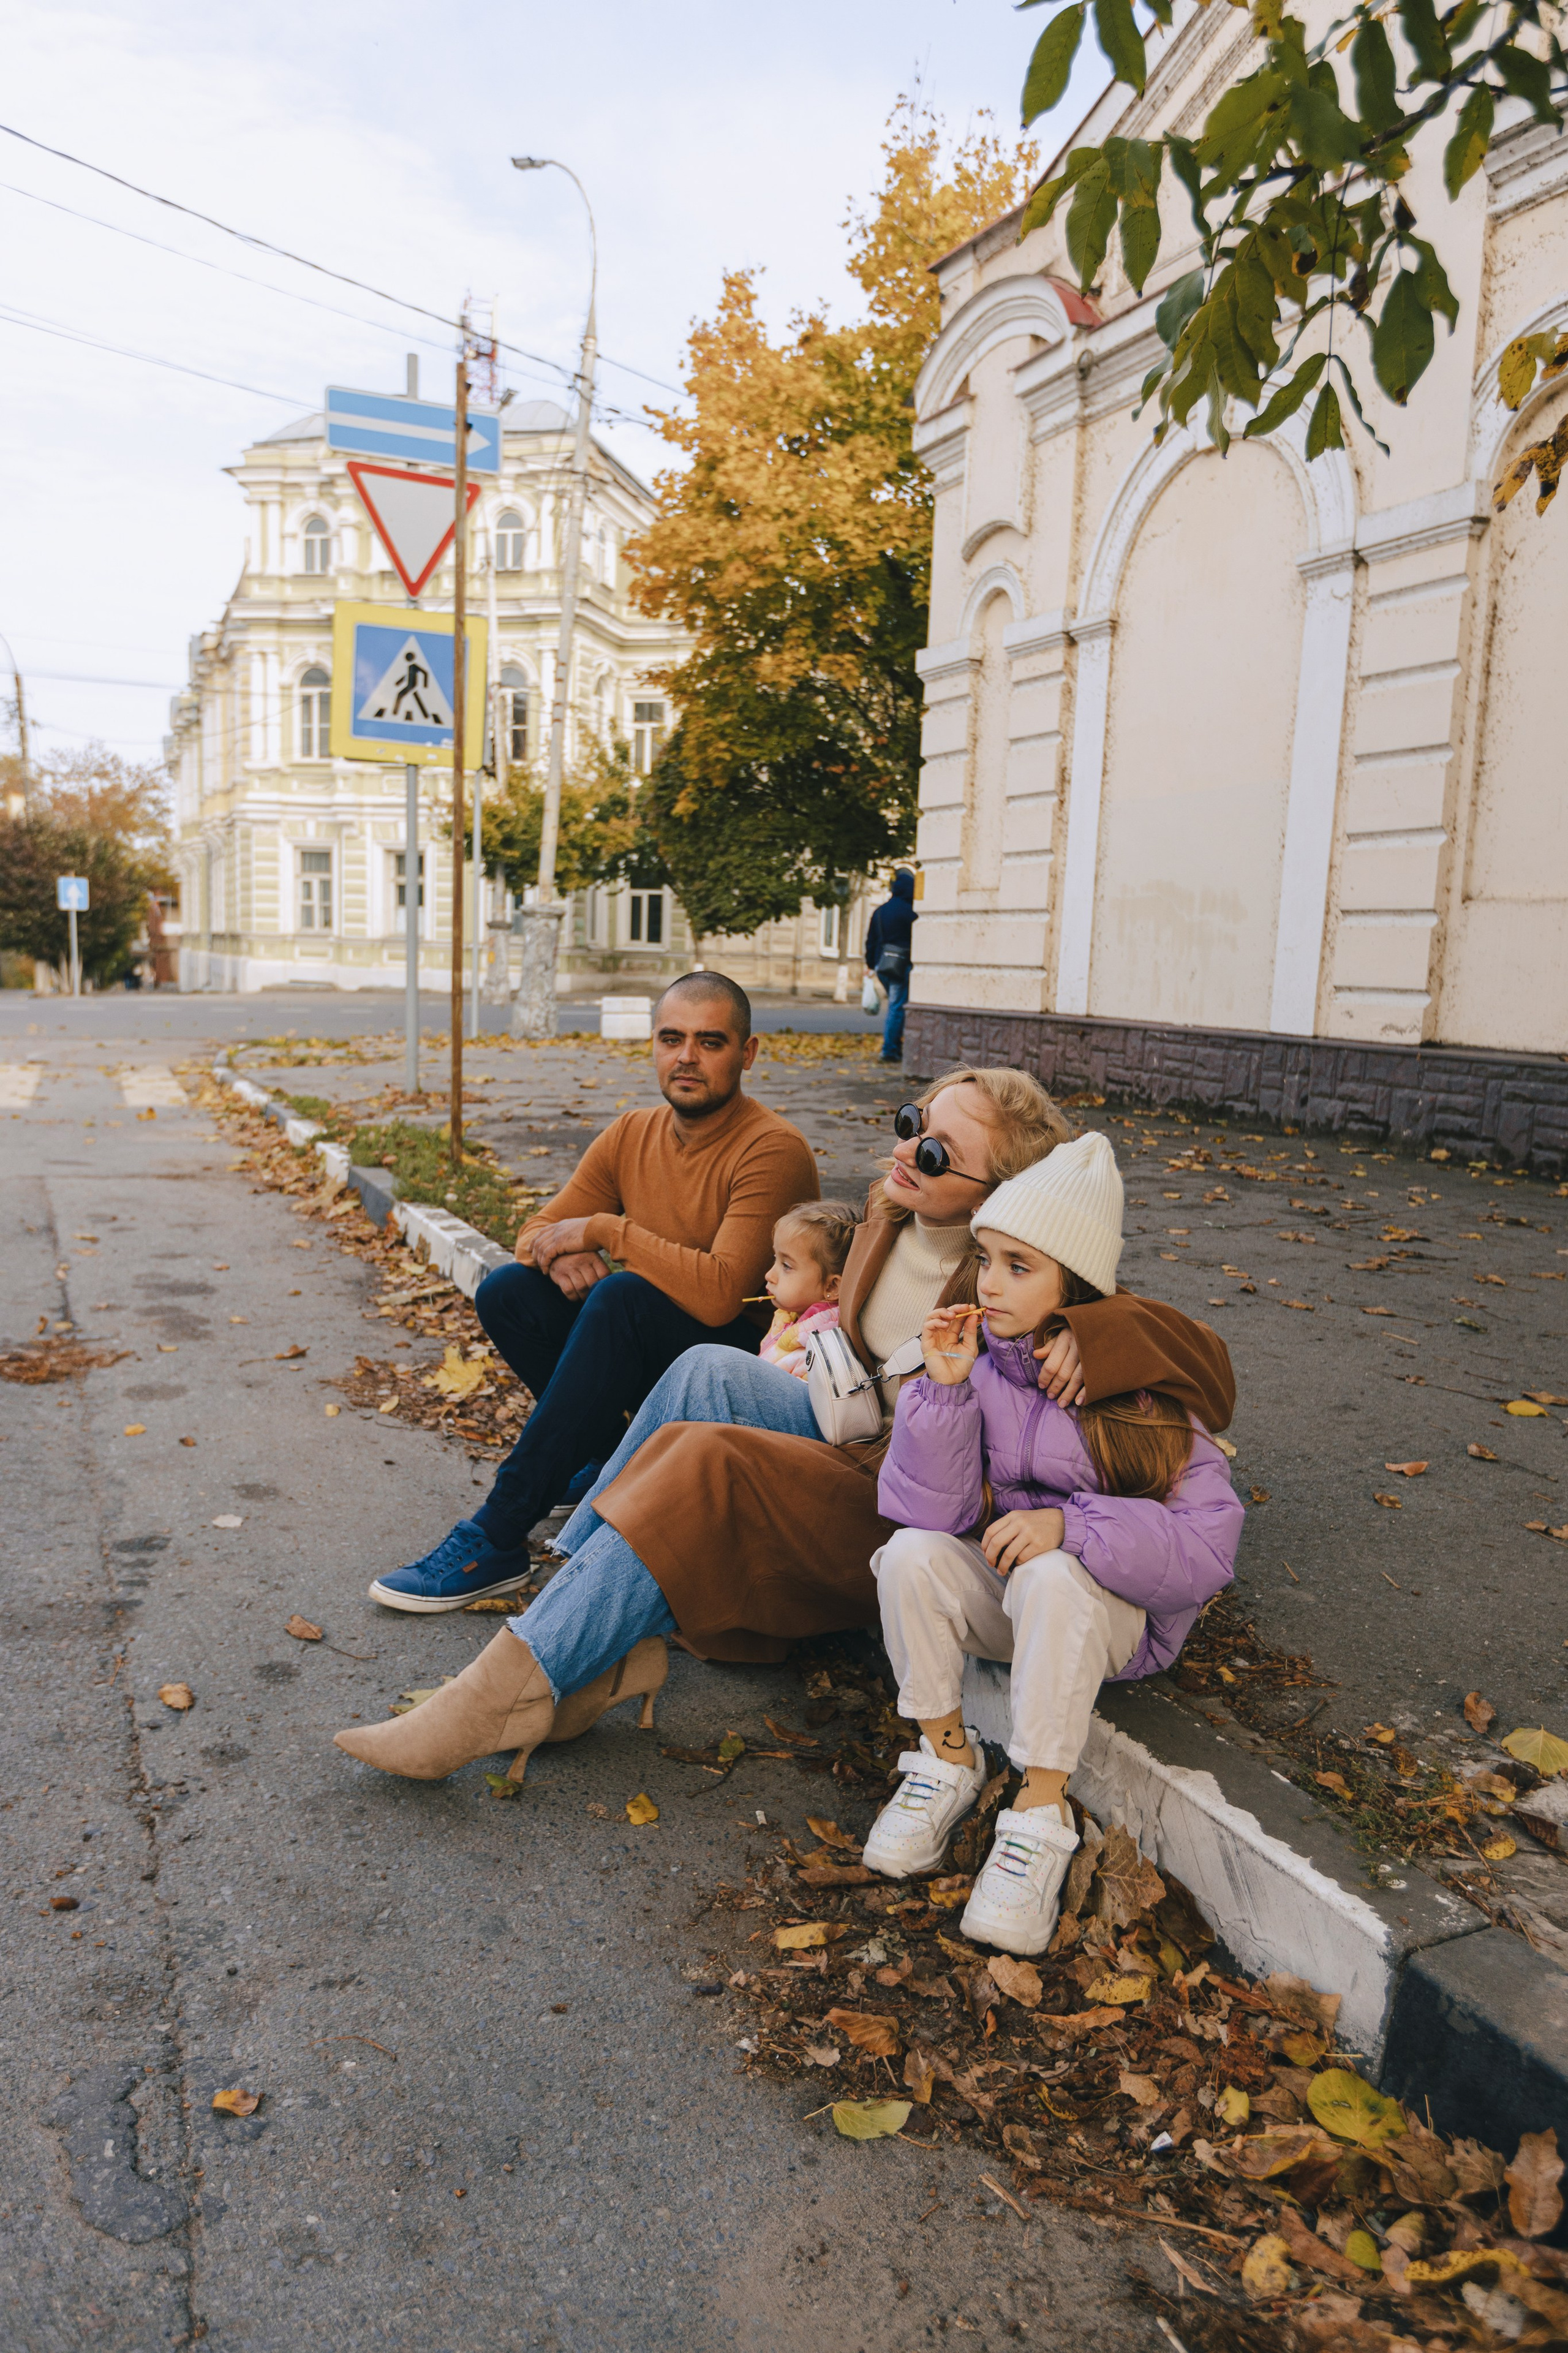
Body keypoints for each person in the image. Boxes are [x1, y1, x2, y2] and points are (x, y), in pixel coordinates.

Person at [332, 1071, 1235, 1786]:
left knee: (707, 1461)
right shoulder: (890, 1214)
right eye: (912, 1120)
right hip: (856, 1424)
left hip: (911, 1489)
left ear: (998, 1191)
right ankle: (576, 1597)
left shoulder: (1015, 1272)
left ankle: (508, 1690)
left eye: (934, 1151)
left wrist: (1100, 1333)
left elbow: (1205, 1367)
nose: (905, 1149)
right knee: (707, 1371)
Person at [862, 1131, 1243, 1955]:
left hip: (1107, 1618)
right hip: (1011, 1603)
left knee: (1055, 1576)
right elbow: (926, 1511)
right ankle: (946, 1759)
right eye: (986, 1258)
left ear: (1072, 1282)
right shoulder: (980, 1365)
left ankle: (1039, 1815)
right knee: (911, 1555)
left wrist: (1073, 1526)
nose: (989, 1282)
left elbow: (1208, 1551)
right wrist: (944, 1394)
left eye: (1019, 1265)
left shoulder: (1142, 1391)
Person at [363, 970, 818, 1614]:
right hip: (650, 1342)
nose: (686, 1057)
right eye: (671, 1039)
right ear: (654, 1045)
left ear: (747, 1054)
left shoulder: (772, 1149)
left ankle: (497, 1535)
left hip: (736, 1375)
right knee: (509, 1290)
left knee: (622, 1296)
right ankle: (605, 1458)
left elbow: (721, 1294)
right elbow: (534, 1233)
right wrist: (561, 1253)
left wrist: (604, 1231)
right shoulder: (633, 1132)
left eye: (710, 1042)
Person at [758, 1199, 858, 1376]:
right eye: (775, 1259)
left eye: (786, 1266)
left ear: (832, 1287)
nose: (769, 1275)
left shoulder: (818, 1354)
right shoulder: (786, 1318)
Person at [864, 868, 916, 1064]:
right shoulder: (911, 912)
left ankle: (894, 1046)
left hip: (882, 965)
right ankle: (890, 1050)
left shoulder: (880, 911)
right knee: (897, 1007)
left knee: (896, 1005)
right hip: (900, 966)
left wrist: (871, 964)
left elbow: (871, 941)